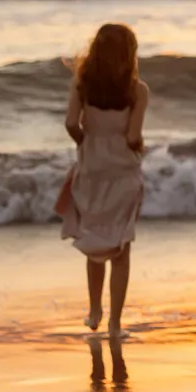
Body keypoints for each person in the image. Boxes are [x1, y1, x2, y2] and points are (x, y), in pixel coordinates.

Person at [56, 22, 148, 337]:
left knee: (94, 243)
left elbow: (70, 123)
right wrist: (135, 146)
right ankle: (115, 324)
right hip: (123, 170)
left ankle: (94, 310)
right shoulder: (137, 91)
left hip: (92, 168)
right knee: (121, 246)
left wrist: (85, 141)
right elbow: (134, 135)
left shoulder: (81, 85)